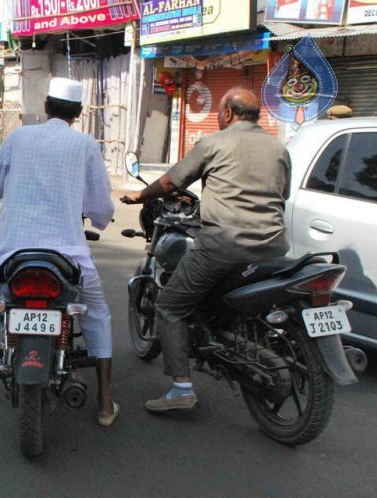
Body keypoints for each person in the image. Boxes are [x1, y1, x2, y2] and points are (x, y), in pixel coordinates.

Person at [0, 77, 118, 427]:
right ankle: (105, 403)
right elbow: (101, 204)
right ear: (78, 112)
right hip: (69, 257)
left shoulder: (19, 138)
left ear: (46, 106)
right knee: (97, 315)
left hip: (13, 255)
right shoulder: (85, 145)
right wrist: (100, 220)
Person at [121, 87, 291, 413]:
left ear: (227, 113)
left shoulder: (214, 143)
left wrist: (139, 197)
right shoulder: (278, 147)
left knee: (170, 306)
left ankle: (181, 390)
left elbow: (171, 183)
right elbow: (279, 194)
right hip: (274, 247)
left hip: (224, 247)